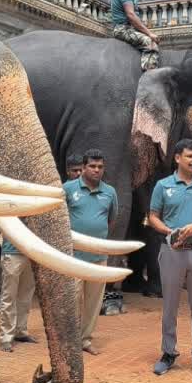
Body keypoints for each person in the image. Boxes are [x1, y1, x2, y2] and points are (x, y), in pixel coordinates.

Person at [148, 140, 192, 377]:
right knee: (169, 304)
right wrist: (171, 232)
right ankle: (168, 352)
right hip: (171, 251)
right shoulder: (162, 185)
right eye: (190, 156)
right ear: (177, 158)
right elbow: (153, 217)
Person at [65, 149, 119, 356]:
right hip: (73, 257)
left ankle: (85, 340)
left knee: (93, 303)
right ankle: (69, 341)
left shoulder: (110, 192)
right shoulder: (68, 189)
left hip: (98, 258)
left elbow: (111, 220)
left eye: (100, 167)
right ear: (84, 167)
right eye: (92, 166)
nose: (96, 170)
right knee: (72, 301)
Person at [110, 0, 160, 71]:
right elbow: (131, 15)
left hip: (128, 28)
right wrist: (149, 33)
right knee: (150, 43)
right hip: (122, 29)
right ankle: (149, 78)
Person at [0, 229, 39, 352]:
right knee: (9, 297)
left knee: (25, 297)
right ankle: (6, 337)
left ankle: (21, 332)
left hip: (32, 253)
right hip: (12, 252)